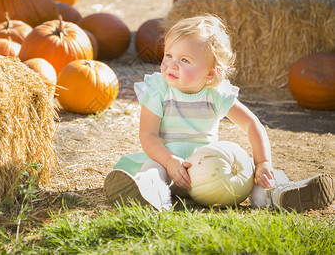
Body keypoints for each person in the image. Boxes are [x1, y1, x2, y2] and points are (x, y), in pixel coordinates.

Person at [104, 14, 334, 212]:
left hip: (212, 172)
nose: (171, 64)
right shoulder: (158, 90)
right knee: (152, 169)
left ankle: (280, 194)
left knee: (255, 175)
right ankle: (150, 195)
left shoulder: (215, 94)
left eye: (184, 60)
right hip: (169, 167)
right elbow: (148, 136)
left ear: (210, 74)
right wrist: (169, 160)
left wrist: (263, 162)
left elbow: (252, 125)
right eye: (169, 55)